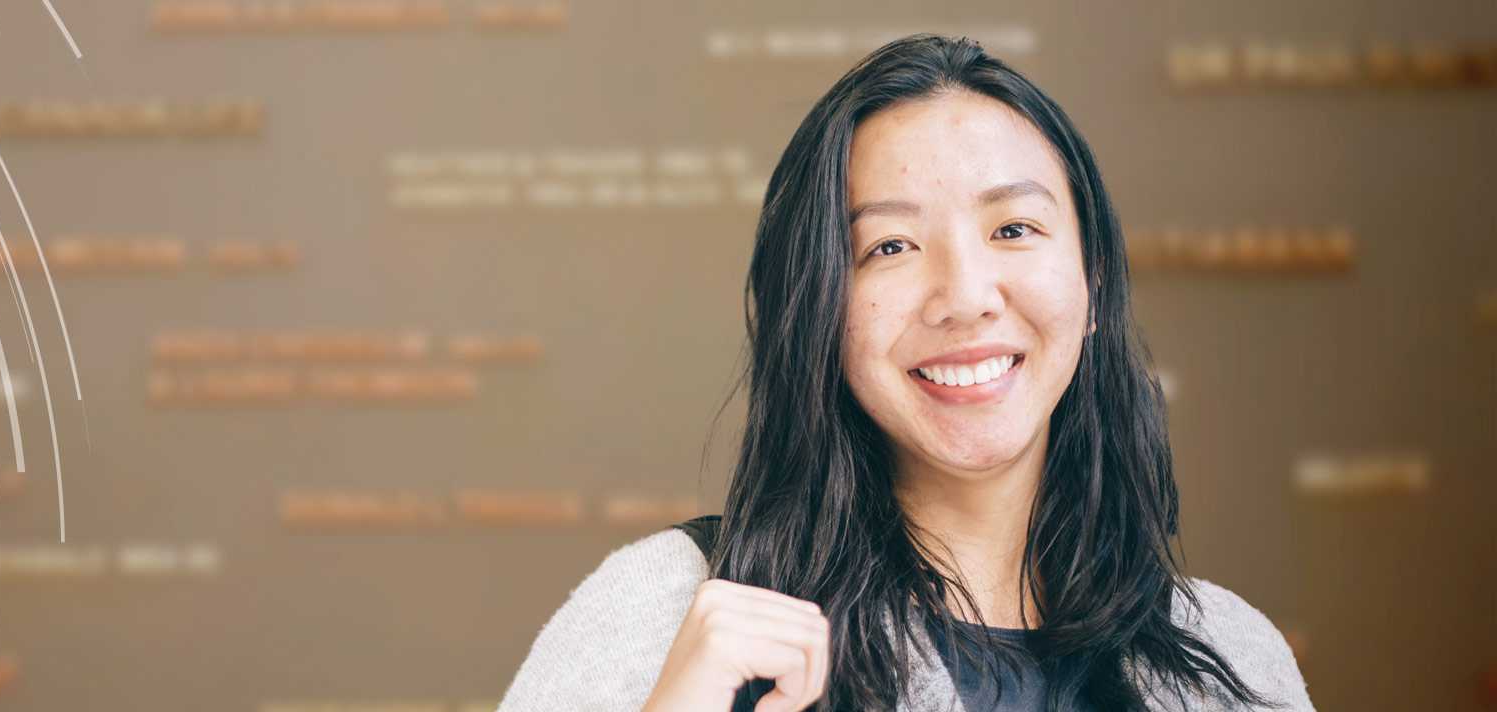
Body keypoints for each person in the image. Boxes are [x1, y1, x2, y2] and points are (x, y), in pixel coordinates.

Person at [498, 34, 1313, 712]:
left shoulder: (1231, 659)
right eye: (889, 246)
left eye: (1015, 228)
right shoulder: (672, 609)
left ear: (1093, 283)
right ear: (820, 309)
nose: (964, 297)